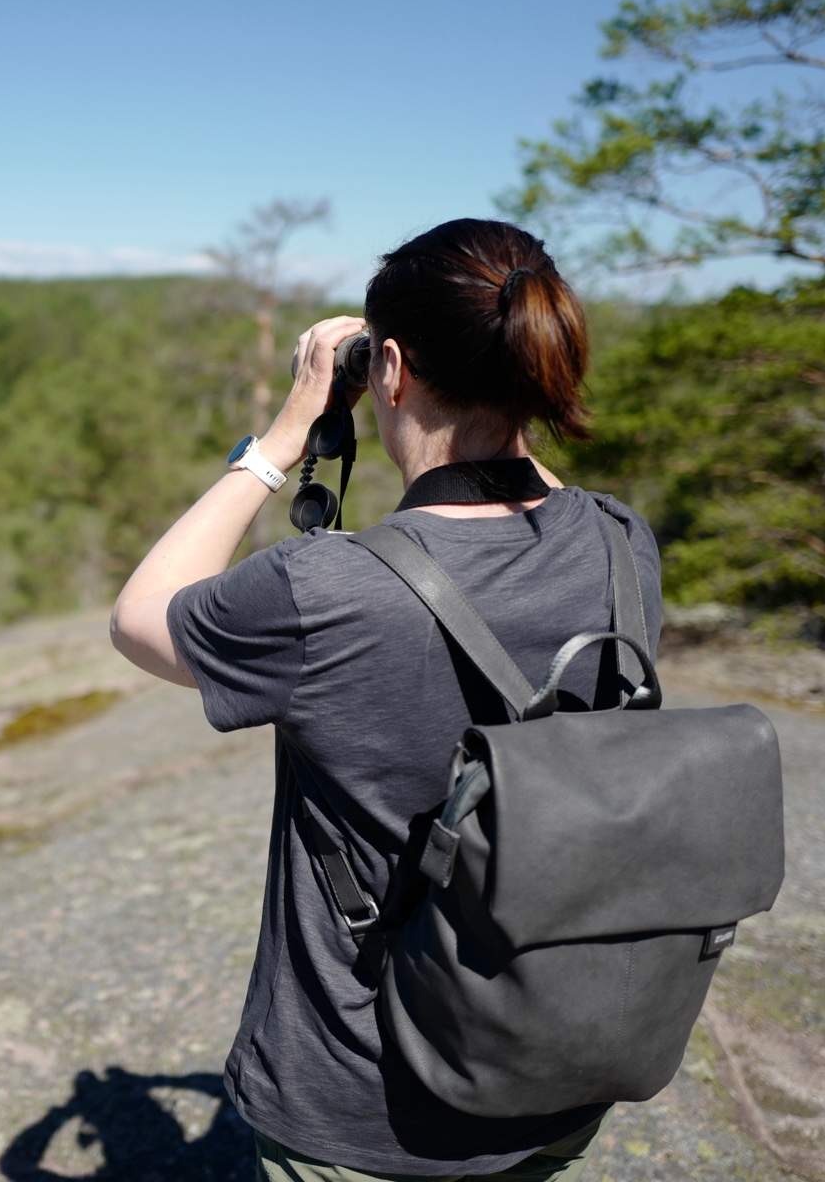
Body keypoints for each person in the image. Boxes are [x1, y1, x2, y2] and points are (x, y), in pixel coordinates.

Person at [108, 218, 664, 1180]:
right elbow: (546, 499)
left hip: (365, 1110)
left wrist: (286, 433)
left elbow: (139, 617)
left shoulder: (327, 589)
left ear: (390, 371)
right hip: (557, 1064)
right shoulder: (622, 545)